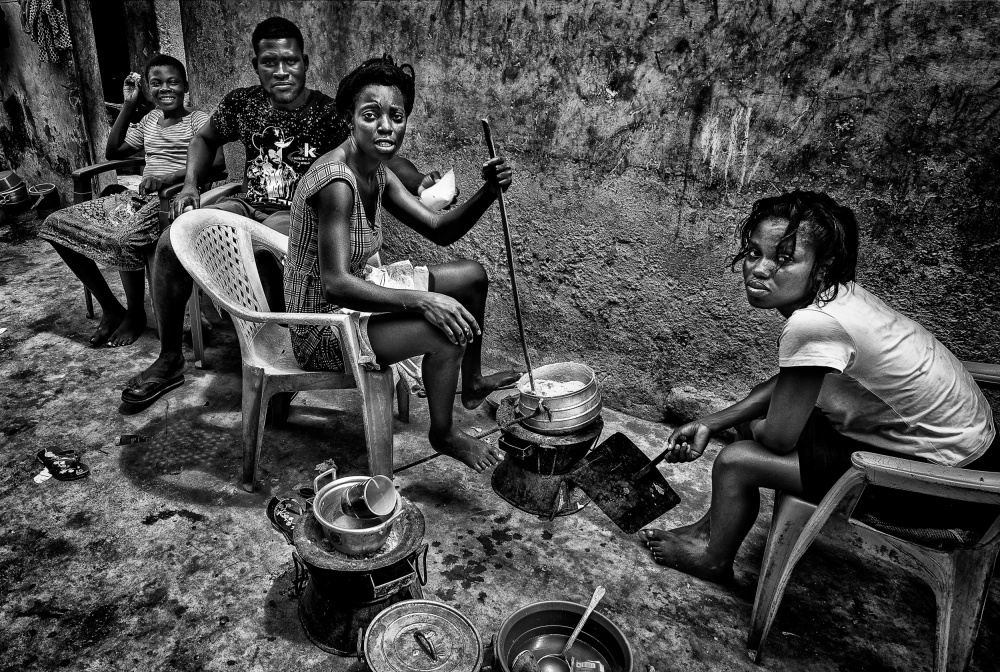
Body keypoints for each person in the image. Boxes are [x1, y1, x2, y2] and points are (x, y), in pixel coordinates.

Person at [640, 190, 996, 584]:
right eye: (755, 252)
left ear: (822, 268)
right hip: (962, 446)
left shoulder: (812, 323)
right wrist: (713, 421)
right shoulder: (841, 296)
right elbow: (793, 380)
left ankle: (712, 558)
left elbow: (776, 439)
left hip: (946, 487)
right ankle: (712, 528)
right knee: (749, 424)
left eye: (784, 259)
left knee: (737, 460)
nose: (759, 269)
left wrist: (754, 429)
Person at [120, 17, 442, 409]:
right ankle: (169, 358)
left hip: (292, 213)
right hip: (243, 204)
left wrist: (420, 180)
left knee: (273, 252)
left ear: (305, 62)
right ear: (256, 65)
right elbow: (204, 138)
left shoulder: (327, 113)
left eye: (290, 61)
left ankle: (281, 368)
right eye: (269, 62)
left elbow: (380, 156)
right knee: (170, 242)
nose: (281, 71)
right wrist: (190, 184)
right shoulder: (242, 103)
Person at [284, 55, 521, 472]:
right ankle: (443, 433)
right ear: (349, 119)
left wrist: (488, 191)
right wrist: (422, 300)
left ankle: (473, 382)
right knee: (443, 331)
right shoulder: (337, 182)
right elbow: (334, 285)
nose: (386, 127)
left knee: (470, 277)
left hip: (357, 293)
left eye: (396, 116)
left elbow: (439, 229)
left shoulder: (377, 171)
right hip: (323, 326)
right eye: (371, 115)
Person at [40, 54, 211, 347]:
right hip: (140, 197)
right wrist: (130, 104)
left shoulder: (198, 120)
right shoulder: (149, 120)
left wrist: (168, 180)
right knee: (55, 225)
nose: (165, 89)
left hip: (174, 202)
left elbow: (216, 165)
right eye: (156, 84)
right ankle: (111, 308)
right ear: (147, 89)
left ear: (185, 86)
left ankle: (135, 315)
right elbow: (114, 151)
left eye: (173, 82)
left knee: (123, 239)